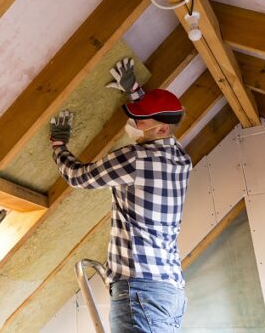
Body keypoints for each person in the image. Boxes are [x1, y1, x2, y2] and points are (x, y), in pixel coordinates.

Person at [49, 57, 192, 333]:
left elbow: (79, 177)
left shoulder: (134, 159)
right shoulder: (181, 158)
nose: (132, 122)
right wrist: (135, 92)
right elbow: (159, 119)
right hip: (170, 292)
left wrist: (58, 145)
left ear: (161, 129)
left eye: (139, 119)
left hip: (140, 291)